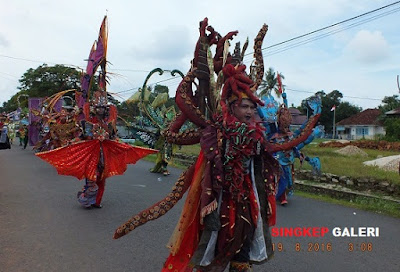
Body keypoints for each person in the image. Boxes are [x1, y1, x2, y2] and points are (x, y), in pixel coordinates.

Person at [114, 18, 320, 271]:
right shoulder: (214, 131)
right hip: (219, 196)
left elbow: (275, 150)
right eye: (244, 106)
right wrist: (194, 67)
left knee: (244, 240)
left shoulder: (257, 135)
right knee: (215, 243)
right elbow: (179, 114)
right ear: (231, 105)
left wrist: (304, 133)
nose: (249, 111)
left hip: (247, 196)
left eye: (252, 107)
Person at [36, 90, 158, 208]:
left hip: (104, 154)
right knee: (91, 177)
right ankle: (88, 199)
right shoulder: (87, 122)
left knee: (102, 178)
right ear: (94, 108)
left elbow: (114, 136)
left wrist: (122, 145)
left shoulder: (109, 123)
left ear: (106, 109)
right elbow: (82, 136)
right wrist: (72, 143)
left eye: (102, 108)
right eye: (98, 108)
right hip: (91, 153)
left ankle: (97, 201)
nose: (100, 110)